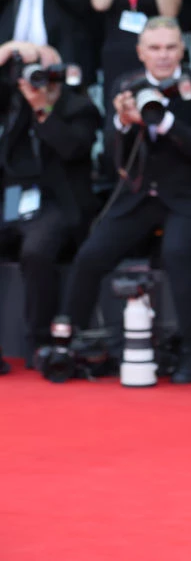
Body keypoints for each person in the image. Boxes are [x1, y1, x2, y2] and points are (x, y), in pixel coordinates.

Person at [55, 17, 191, 384]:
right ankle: (68, 343)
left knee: (178, 253)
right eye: (155, 48)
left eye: (170, 47)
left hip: (189, 195)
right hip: (138, 194)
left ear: (182, 50)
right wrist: (123, 121)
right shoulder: (125, 86)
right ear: (140, 52)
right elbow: (110, 155)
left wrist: (162, 121)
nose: (163, 55)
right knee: (91, 253)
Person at [0, 41, 101, 367]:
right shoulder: (15, 102)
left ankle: (40, 341)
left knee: (36, 251)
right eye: (35, 71)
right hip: (15, 196)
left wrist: (43, 110)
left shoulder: (80, 107)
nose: (42, 78)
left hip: (58, 202)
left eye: (48, 70)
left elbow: (73, 148)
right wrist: (8, 51)